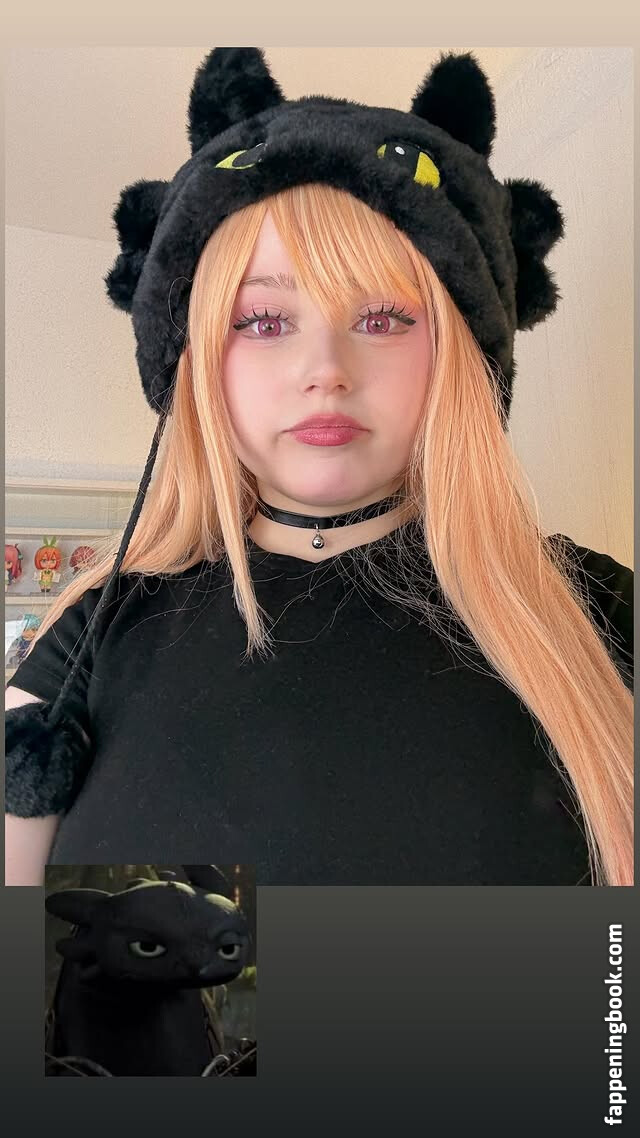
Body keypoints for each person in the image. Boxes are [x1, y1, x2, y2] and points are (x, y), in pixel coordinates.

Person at [5, 48, 633, 886]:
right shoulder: (87, 639)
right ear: (195, 362)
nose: (326, 369)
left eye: (383, 318)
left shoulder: (601, 616)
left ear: (460, 356)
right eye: (264, 322)